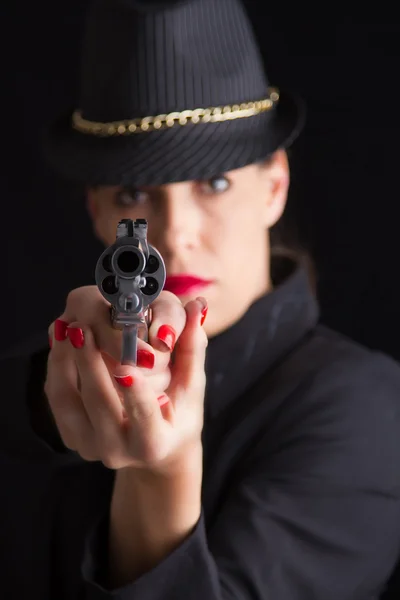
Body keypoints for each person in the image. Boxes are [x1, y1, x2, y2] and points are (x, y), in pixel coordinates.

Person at [2, 0, 400, 598]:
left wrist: (162, 471)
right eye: (133, 193)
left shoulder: (366, 409)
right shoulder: (47, 372)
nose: (172, 233)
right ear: (98, 210)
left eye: (213, 183)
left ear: (275, 186)